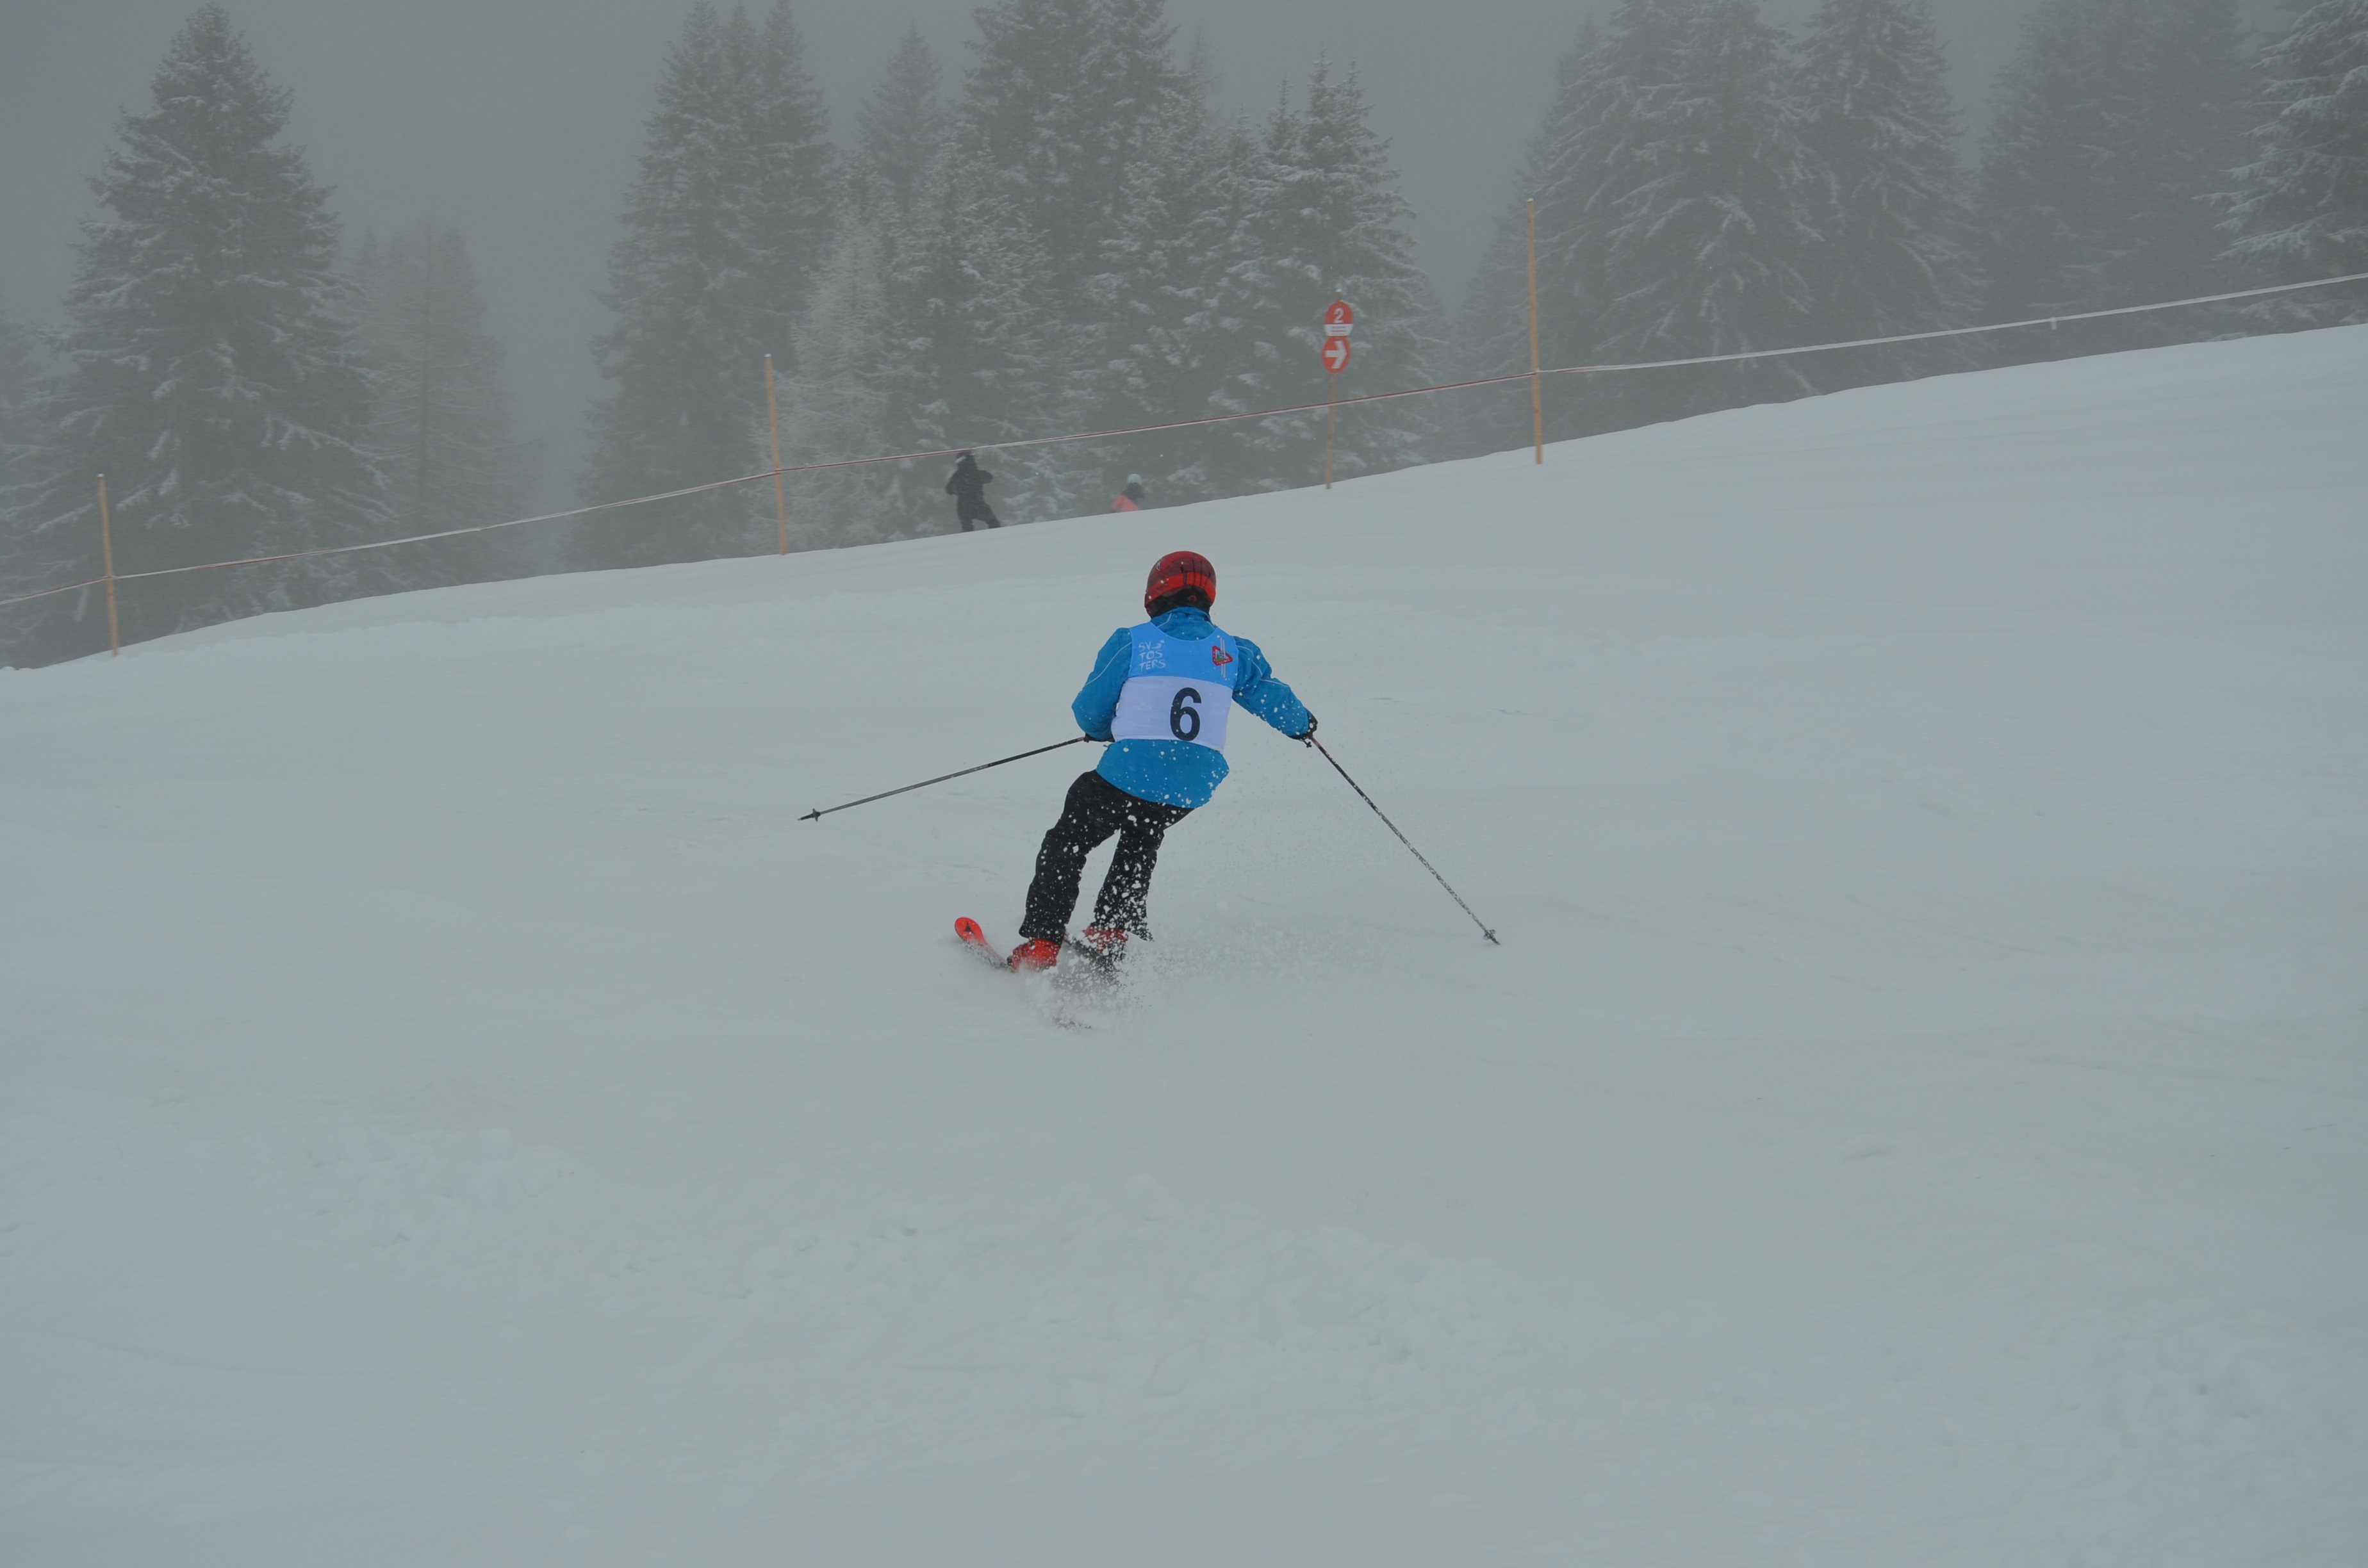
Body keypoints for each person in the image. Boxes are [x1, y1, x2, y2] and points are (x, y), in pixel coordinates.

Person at [1006, 550, 1315, 973]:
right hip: (1191, 785)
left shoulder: (1132, 641)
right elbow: (1271, 696)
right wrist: (1302, 726)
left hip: (1128, 771)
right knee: (1143, 832)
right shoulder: (1233, 651)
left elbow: (1089, 712)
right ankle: (1110, 931)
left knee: (1069, 840)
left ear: (1154, 594)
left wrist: (1104, 731)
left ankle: (1043, 943)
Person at [946, 451, 999, 530]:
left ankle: (970, 537)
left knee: (968, 529)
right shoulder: (977, 473)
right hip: (978, 504)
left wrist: (957, 487)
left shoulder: (957, 476)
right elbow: (989, 478)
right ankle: (996, 536)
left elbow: (949, 490)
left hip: (964, 507)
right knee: (994, 523)